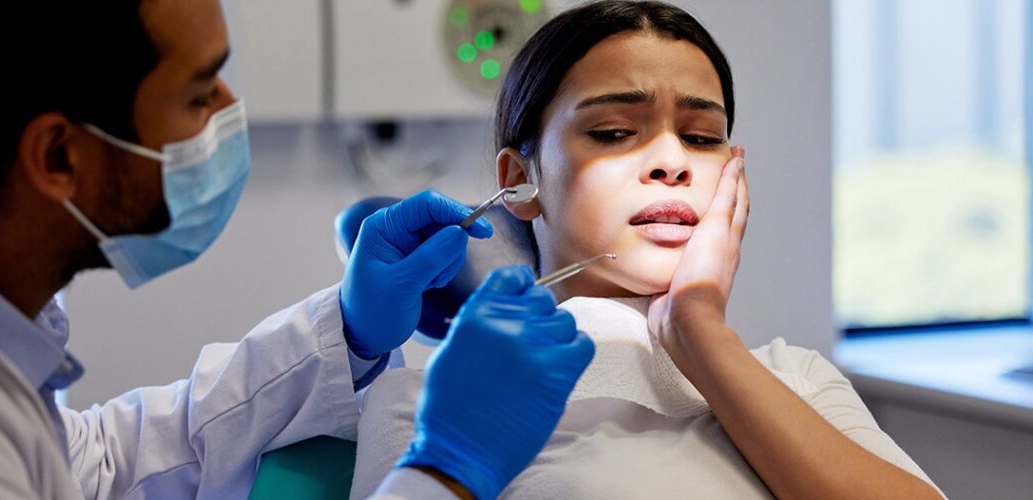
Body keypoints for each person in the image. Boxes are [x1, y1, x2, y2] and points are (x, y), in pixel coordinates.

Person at [0, 1, 593, 499]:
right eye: (199, 94)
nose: (230, 108)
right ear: (57, 156)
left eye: (703, 131)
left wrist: (348, 331)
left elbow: (95, 465)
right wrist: (448, 471)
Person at [349, 1, 945, 498]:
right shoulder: (436, 407)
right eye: (613, 132)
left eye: (702, 137)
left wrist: (702, 336)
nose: (672, 160)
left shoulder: (796, 379)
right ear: (519, 181)